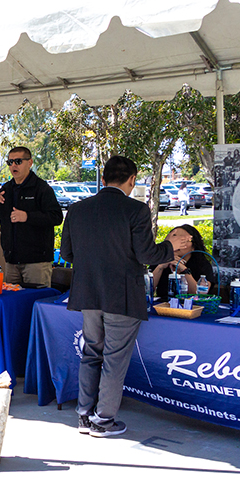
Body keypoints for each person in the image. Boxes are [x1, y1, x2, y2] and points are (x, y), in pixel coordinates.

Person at [60, 156, 190, 437]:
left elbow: (67, 254)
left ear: (104, 179)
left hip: (88, 294)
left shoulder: (77, 209)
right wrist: (170, 245)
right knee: (114, 359)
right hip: (121, 295)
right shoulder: (136, 210)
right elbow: (146, 254)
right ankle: (103, 421)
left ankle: (84, 415)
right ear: (132, 180)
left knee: (91, 353)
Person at [0, 146, 63, 288]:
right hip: (11, 262)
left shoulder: (42, 188)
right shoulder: (6, 189)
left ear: (30, 163)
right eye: (10, 162)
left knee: (35, 303)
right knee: (13, 304)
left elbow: (56, 217)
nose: (13, 166)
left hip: (37, 263)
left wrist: (27, 217)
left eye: (18, 161)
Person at [151, 224, 214, 300]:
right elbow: (147, 289)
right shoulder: (159, 260)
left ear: (193, 247)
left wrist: (183, 269)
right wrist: (160, 266)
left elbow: (199, 294)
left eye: (183, 240)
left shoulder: (202, 264)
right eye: (174, 239)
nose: (178, 244)